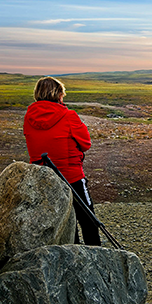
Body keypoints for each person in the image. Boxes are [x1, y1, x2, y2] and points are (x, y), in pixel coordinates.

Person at [23, 76, 101, 246]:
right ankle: (96, 258)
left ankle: (69, 255)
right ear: (58, 94)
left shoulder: (29, 117)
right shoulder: (68, 116)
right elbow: (86, 143)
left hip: (43, 179)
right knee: (88, 220)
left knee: (63, 223)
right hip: (71, 177)